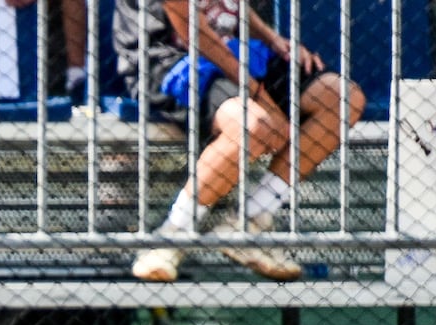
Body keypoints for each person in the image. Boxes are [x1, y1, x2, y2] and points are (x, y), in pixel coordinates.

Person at [113, 0, 366, 281]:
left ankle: (250, 222)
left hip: (234, 51)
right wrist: (260, 94)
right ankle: (172, 236)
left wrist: (273, 40)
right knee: (253, 126)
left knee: (342, 98)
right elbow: (191, 28)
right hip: (169, 60)